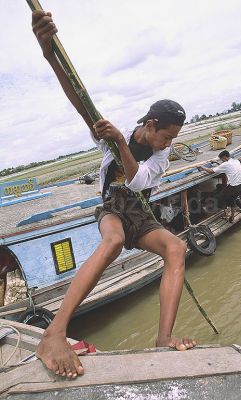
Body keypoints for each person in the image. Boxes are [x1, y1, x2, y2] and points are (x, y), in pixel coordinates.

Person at [31, 10, 196, 379]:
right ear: (151, 126)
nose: (170, 143)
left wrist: (122, 141)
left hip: (141, 211)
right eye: (167, 136)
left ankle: (163, 337)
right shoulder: (115, 135)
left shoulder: (158, 152)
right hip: (113, 207)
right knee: (113, 241)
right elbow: (79, 101)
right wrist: (48, 53)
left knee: (176, 248)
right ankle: (54, 333)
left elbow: (139, 183)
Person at [199, 150, 241, 222]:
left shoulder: (225, 165)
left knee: (218, 198)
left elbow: (210, 171)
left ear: (225, 157)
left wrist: (201, 167)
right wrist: (216, 162)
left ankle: (226, 215)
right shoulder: (236, 161)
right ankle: (232, 217)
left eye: (221, 159)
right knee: (233, 200)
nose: (221, 160)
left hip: (233, 187)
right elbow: (225, 166)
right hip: (240, 186)